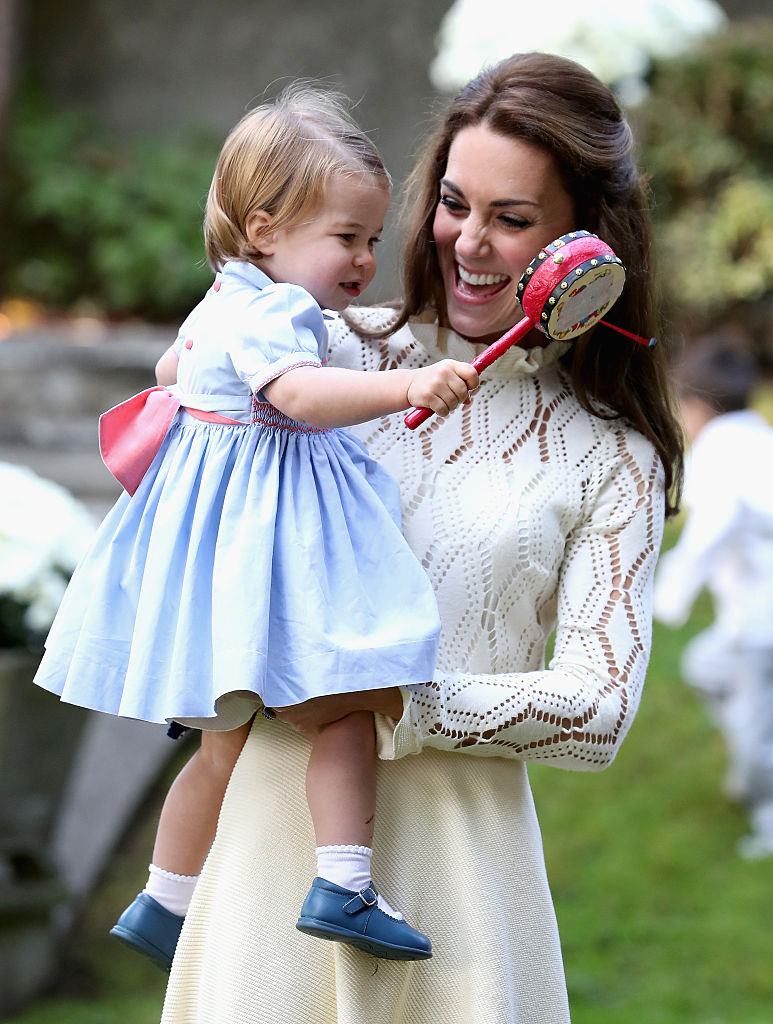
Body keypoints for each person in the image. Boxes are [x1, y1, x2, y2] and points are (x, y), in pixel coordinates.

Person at [160, 52, 684, 1024]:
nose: (468, 243)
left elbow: (597, 707)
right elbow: (187, 452)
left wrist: (402, 697)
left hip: (460, 872)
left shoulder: (608, 456)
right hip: (269, 846)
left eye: (511, 218)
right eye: (452, 203)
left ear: (584, 240)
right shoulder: (318, 349)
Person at [34, 84, 480, 969]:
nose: (361, 260)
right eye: (344, 238)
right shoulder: (281, 312)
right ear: (266, 229)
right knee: (350, 711)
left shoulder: (220, 303)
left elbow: (171, 371)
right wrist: (404, 387)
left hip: (215, 578)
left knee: (217, 749)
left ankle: (164, 901)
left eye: (368, 239)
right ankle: (343, 883)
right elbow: (300, 397)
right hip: (267, 564)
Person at [653, 334, 773, 859]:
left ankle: (767, 814)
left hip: (759, 621)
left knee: (751, 727)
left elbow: (714, 527)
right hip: (752, 617)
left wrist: (668, 597)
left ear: (697, 406)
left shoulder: (719, 449)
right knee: (705, 667)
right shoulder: (756, 437)